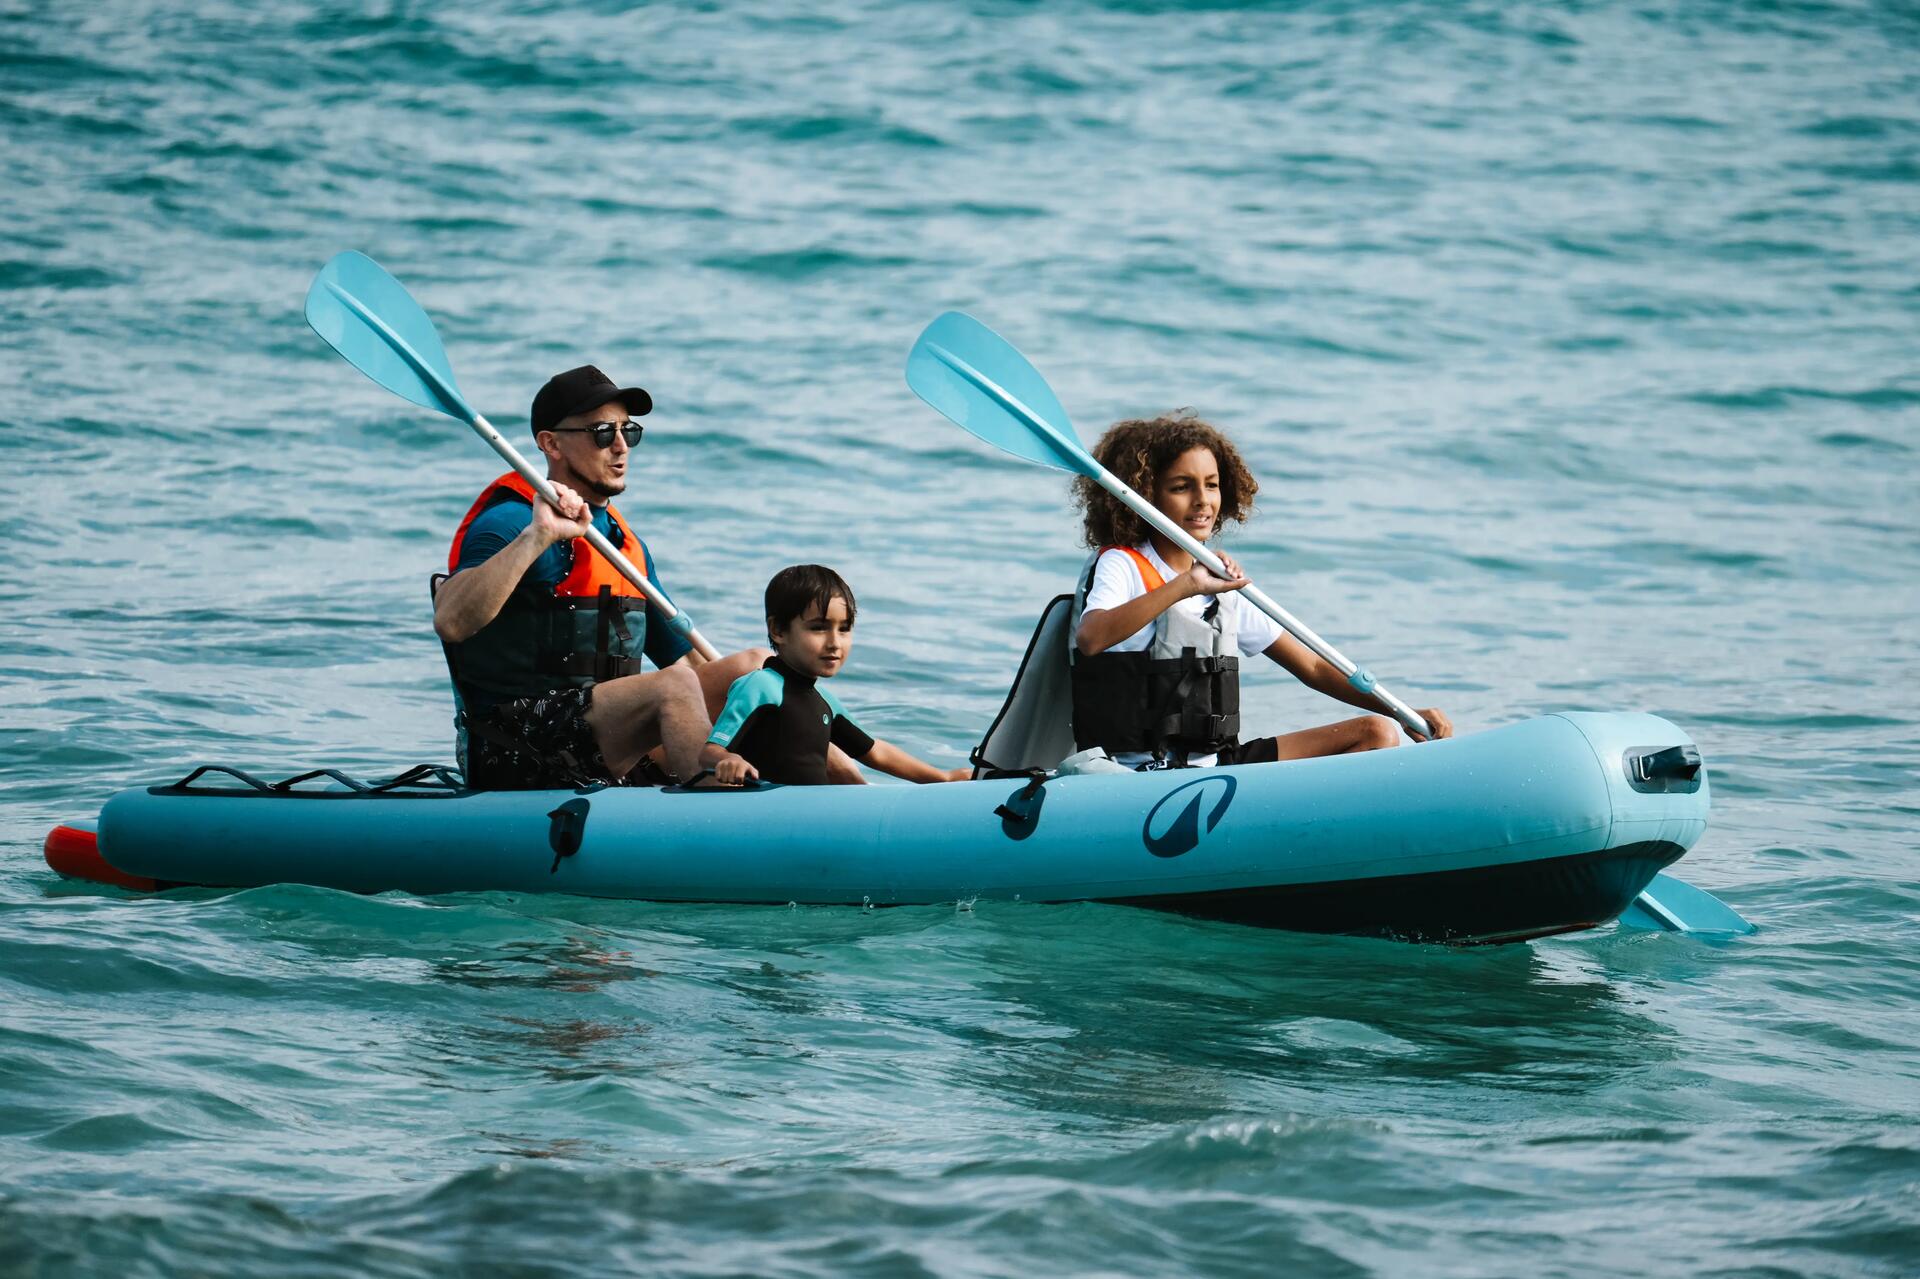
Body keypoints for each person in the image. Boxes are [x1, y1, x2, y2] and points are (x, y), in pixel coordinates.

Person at [434, 365, 857, 789]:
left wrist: (774, 701)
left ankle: (865, 806)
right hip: (513, 745)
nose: (620, 446)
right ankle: (715, 805)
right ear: (551, 443)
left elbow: (689, 663)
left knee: (758, 671)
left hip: (602, 744)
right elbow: (451, 621)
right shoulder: (509, 522)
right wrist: (539, 536)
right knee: (670, 687)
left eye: (628, 432)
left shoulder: (622, 544)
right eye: (602, 433)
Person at [1070, 412, 1453, 769]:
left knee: (1376, 733)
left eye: (1212, 485)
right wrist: (1186, 585)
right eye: (1182, 487)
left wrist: (1402, 712)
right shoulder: (1123, 564)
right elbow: (1092, 637)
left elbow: (1314, 667)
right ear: (1146, 494)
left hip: (1214, 767)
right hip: (1136, 773)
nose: (1203, 500)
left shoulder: (1221, 586)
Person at [700, 565, 972, 786]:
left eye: (844, 629)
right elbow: (710, 751)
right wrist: (728, 761)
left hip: (816, 813)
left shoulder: (825, 702)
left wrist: (943, 778)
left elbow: (876, 751)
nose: (834, 642)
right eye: (819, 628)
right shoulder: (760, 686)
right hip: (767, 814)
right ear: (778, 630)